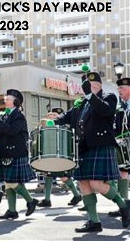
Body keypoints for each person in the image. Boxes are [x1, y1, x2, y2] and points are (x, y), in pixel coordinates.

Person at [52, 72, 130, 232]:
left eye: (92, 86)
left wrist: (89, 95)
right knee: (83, 183)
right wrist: (53, 120)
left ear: (99, 86)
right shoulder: (81, 103)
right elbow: (67, 117)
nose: (87, 89)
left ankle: (124, 207)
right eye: (86, 87)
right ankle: (93, 221)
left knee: (97, 184)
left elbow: (105, 111)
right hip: (83, 147)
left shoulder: (109, 97)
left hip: (101, 145)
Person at [0, 89, 38, 220]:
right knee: (8, 183)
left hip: (16, 152)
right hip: (6, 152)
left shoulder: (18, 116)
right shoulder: (6, 115)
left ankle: (31, 200)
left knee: (11, 182)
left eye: (8, 99)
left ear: (16, 102)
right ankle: (12, 210)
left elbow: (12, 131)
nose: (5, 100)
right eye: (6, 98)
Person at [38, 108, 82, 208]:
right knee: (48, 174)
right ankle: (47, 199)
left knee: (64, 177)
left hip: (61, 155)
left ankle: (77, 195)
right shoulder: (46, 129)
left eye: (54, 116)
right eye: (50, 116)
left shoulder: (63, 127)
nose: (51, 118)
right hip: (50, 154)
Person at [108, 77, 130, 217]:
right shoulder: (121, 106)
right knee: (122, 172)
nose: (119, 91)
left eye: (122, 88)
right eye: (118, 88)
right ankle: (125, 206)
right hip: (124, 145)